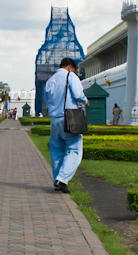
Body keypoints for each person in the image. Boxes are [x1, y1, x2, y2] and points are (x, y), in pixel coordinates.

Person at [43, 58, 88, 194]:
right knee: (74, 150)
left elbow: (47, 99)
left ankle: (57, 181)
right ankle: (62, 179)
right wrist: (85, 101)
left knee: (56, 150)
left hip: (54, 119)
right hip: (69, 118)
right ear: (70, 67)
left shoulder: (50, 80)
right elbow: (78, 94)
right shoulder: (70, 76)